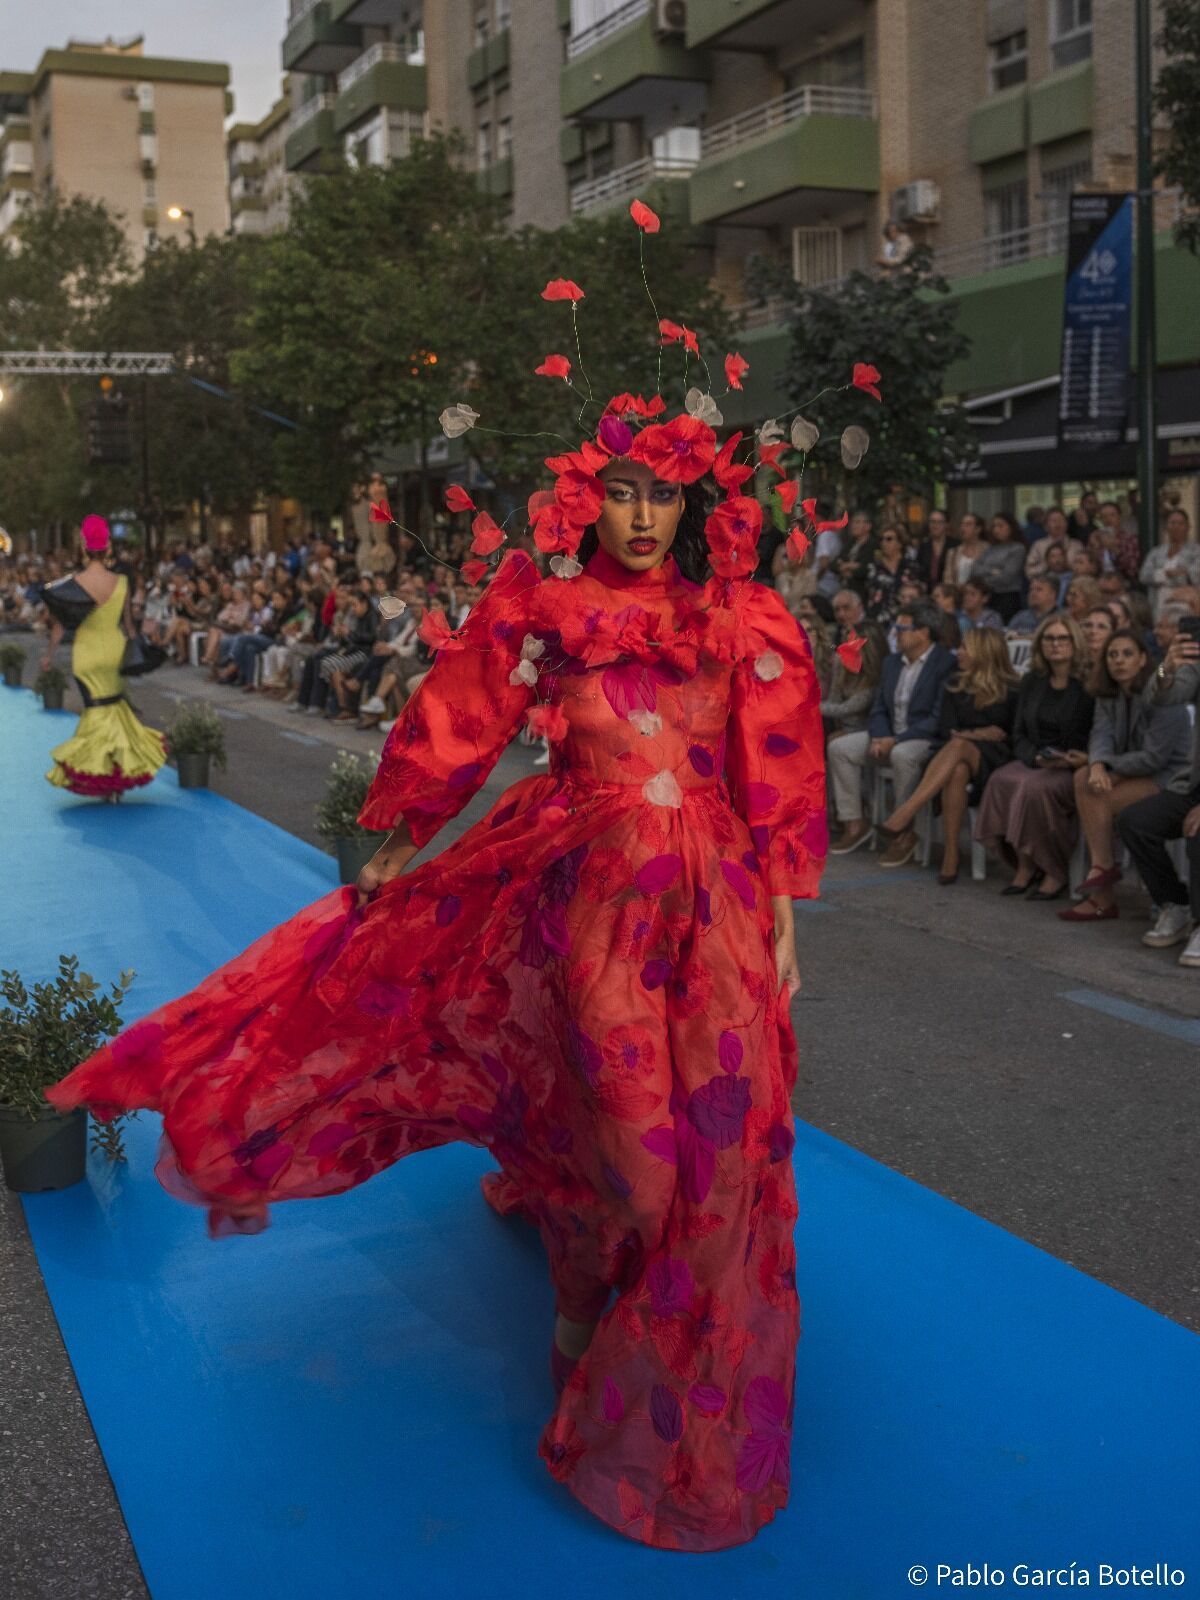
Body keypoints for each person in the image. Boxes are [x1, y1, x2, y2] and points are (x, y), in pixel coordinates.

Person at [46, 404, 828, 1552]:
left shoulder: (737, 615)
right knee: (636, 1157)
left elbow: (778, 761)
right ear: (587, 496)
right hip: (587, 908)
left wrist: (781, 905)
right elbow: (464, 710)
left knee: (716, 1169)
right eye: (623, 489)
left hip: (712, 919)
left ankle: (638, 1368)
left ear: (696, 498)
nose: (645, 514)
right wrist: (402, 832)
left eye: (665, 491)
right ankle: (586, 1280)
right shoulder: (544, 608)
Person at [1058, 630, 1192, 923]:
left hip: (1171, 775)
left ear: (1143, 659)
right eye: (1112, 655)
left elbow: (1155, 757)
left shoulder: (1162, 692)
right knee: (1084, 777)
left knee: (1099, 798)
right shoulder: (1111, 695)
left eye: (1127, 654)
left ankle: (1102, 891)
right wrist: (1097, 766)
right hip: (1134, 770)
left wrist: (1112, 769)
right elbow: (1100, 735)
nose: (1118, 661)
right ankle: (1103, 870)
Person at [39, 515, 167, 800]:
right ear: (107, 547)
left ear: (84, 548)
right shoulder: (122, 582)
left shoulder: (73, 585)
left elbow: (60, 625)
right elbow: (130, 626)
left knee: (96, 711)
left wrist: (49, 656)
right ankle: (115, 777)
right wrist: (144, 649)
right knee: (113, 710)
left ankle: (100, 775)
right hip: (114, 650)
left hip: (86, 653)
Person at [875, 626, 1019, 878]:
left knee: (960, 747)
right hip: (954, 753)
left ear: (984, 652)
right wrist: (979, 734)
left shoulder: (1013, 688)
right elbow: (947, 730)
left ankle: (905, 813)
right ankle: (951, 854)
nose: (959, 653)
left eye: (965, 648)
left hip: (997, 757)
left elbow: (1009, 733)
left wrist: (971, 736)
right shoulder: (955, 684)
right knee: (957, 771)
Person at [974, 614, 1094, 900]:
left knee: (1034, 789)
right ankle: (1025, 865)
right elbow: (1018, 734)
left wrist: (1077, 759)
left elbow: (1096, 733)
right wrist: (1036, 759)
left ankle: (1054, 869)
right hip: (1037, 759)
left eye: (1062, 638)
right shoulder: (1032, 681)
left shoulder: (1089, 685)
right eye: (1049, 639)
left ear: (1074, 642)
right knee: (1001, 780)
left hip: (1073, 765)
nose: (1055, 645)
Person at [827, 600, 956, 854]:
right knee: (839, 748)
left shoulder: (945, 663)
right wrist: (881, 735)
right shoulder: (892, 662)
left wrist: (895, 740)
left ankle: (905, 830)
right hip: (890, 735)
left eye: (902, 628)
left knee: (902, 754)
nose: (896, 632)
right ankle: (855, 823)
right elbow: (879, 709)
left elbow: (937, 718)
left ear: (924, 632)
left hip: (923, 737)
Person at [1115, 624, 1200, 964]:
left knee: (1197, 836)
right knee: (1135, 821)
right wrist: (1169, 667)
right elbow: (1163, 696)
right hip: (1193, 785)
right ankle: (1176, 904)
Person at [1138, 508, 1200, 619]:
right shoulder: (1156, 552)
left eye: (1180, 523)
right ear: (1166, 527)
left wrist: (1159, 576)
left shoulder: (1196, 551)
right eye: (1172, 523)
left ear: (1188, 527)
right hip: (1158, 604)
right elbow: (1143, 576)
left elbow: (1195, 577)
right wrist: (1167, 574)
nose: (1176, 527)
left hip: (1186, 606)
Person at [969, 513, 1027, 622]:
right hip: (989, 597)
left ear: (1011, 527)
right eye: (994, 526)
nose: (996, 530)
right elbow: (974, 570)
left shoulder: (1017, 549)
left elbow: (1007, 577)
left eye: (1000, 526)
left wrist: (984, 578)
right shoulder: (990, 549)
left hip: (1007, 598)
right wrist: (992, 571)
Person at [864, 523, 921, 622]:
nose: (884, 542)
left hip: (905, 618)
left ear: (900, 543)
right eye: (881, 539)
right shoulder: (873, 567)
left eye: (889, 539)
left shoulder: (911, 567)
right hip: (878, 618)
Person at [1025, 507, 1083, 580]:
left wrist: (1067, 565)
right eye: (1053, 520)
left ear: (1066, 524)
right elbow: (1029, 572)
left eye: (1061, 520)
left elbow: (1084, 570)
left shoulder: (1076, 545)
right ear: (1046, 526)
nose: (1058, 523)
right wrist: (1047, 564)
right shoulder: (1038, 545)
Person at [913, 508, 957, 592]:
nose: (935, 525)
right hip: (927, 592)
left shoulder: (955, 545)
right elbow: (918, 569)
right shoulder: (924, 546)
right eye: (932, 522)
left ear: (946, 524)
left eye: (939, 522)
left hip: (948, 592)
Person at [832, 511, 875, 595]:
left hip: (863, 591)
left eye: (858, 522)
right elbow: (833, 565)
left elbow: (866, 569)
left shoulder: (873, 545)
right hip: (844, 589)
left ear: (868, 526)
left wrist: (847, 567)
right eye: (853, 522)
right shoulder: (850, 544)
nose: (853, 526)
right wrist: (849, 566)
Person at [946, 512, 987, 587]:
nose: (963, 528)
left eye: (968, 525)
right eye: (962, 524)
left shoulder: (987, 550)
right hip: (959, 594)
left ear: (978, 529)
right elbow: (948, 579)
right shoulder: (953, 552)